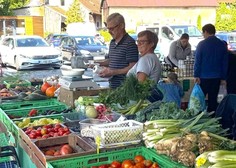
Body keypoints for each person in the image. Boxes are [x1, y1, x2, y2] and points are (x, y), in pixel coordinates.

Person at [97, 13, 139, 89]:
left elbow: (133, 67)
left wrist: (113, 72)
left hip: (125, 88)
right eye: (108, 29)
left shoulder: (129, 43)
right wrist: (98, 64)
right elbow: (111, 60)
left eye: (112, 28)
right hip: (112, 86)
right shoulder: (112, 42)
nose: (109, 32)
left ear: (122, 26)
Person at [194, 23, 228, 112]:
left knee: (200, 99)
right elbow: (225, 63)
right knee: (213, 100)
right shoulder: (222, 44)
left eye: (203, 33)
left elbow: (197, 61)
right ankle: (213, 118)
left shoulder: (201, 44)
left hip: (203, 77)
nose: (203, 35)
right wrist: (223, 78)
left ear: (206, 32)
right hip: (216, 77)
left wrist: (196, 75)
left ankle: (199, 117)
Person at [127, 30, 163, 102]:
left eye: (142, 42)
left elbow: (140, 84)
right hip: (147, 100)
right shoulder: (153, 57)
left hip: (141, 101)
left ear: (151, 44)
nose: (139, 44)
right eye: (138, 41)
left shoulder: (145, 59)